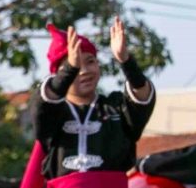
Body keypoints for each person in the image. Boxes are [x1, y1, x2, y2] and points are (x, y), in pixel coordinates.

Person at [20, 16, 155, 188]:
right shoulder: (52, 115)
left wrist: (126, 61)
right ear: (59, 75)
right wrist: (70, 68)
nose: (83, 71)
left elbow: (141, 96)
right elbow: (43, 103)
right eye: (75, 65)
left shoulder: (115, 107)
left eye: (90, 62)